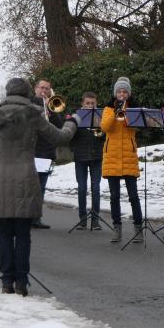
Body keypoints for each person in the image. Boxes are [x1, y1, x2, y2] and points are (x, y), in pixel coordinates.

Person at [0, 78, 78, 296]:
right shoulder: (34, 115)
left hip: (1, 180)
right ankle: (21, 283)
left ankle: (7, 281)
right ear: (27, 93)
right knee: (23, 235)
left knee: (5, 234)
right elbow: (61, 138)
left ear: (7, 93)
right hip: (26, 178)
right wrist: (73, 121)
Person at [101, 76, 143, 243]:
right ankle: (116, 230)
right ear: (115, 93)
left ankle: (138, 229)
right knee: (114, 196)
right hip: (111, 156)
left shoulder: (133, 108)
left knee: (134, 196)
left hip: (128, 156)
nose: (122, 94)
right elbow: (105, 127)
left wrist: (125, 112)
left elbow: (135, 126)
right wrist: (115, 111)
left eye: (125, 91)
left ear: (128, 94)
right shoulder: (108, 109)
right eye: (119, 91)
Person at [30, 78, 63, 229]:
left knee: (41, 187)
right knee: (30, 186)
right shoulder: (29, 104)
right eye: (41, 88)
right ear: (35, 89)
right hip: (32, 151)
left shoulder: (51, 105)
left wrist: (52, 108)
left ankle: (36, 218)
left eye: (47, 88)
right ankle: (26, 217)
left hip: (47, 152)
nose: (44, 91)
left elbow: (59, 126)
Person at [69, 92, 105, 230]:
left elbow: (104, 137)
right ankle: (82, 219)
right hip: (80, 157)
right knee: (82, 188)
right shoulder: (76, 117)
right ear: (82, 104)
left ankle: (95, 220)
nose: (90, 106)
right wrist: (74, 149)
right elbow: (69, 137)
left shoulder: (100, 117)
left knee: (95, 189)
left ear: (96, 103)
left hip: (96, 156)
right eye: (87, 103)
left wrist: (101, 129)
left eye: (93, 103)